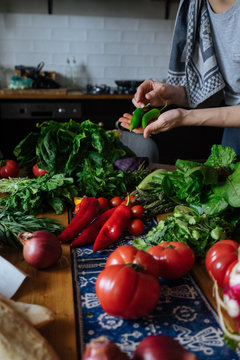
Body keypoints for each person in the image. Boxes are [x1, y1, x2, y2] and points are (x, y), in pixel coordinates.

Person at [118, 0, 240, 159]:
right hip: (233, 130)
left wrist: (184, 117)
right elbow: (222, 91)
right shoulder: (197, 7)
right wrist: (174, 94)